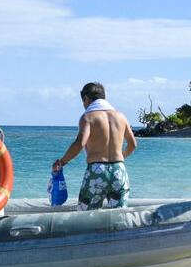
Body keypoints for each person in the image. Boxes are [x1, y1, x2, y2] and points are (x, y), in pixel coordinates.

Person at [52, 82, 136, 210]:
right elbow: (132, 144)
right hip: (119, 169)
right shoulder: (121, 116)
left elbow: (80, 143)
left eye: (83, 102)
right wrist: (120, 158)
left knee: (87, 214)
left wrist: (62, 162)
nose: (84, 105)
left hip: (97, 170)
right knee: (119, 215)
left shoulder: (88, 117)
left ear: (86, 98)